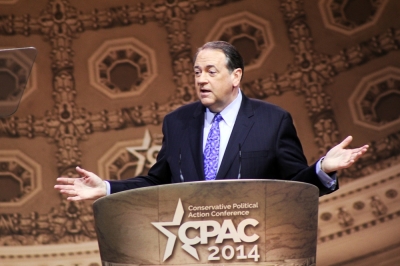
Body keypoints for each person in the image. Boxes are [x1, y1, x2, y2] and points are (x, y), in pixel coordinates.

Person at [55, 41, 368, 200]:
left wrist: (324, 168)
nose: (201, 80)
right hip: (193, 247)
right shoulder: (177, 122)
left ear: (236, 76)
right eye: (196, 72)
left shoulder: (273, 121)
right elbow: (158, 182)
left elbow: (295, 189)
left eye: (211, 72)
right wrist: (107, 188)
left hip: (254, 246)